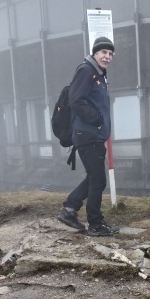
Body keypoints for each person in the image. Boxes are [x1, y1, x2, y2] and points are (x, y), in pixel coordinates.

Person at [57, 36, 119, 236]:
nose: (107, 56)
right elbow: (76, 101)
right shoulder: (87, 71)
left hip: (93, 134)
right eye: (103, 52)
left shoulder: (99, 75)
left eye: (110, 53)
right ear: (95, 53)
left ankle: (69, 209)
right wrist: (98, 119)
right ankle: (95, 224)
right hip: (88, 134)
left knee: (95, 178)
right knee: (98, 180)